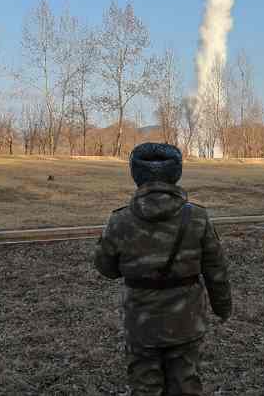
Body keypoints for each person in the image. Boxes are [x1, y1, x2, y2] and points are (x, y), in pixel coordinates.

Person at [94, 142, 232, 396]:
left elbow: (106, 268)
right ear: (176, 173)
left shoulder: (120, 220)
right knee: (186, 384)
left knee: (144, 386)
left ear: (135, 174)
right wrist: (222, 308)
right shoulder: (198, 218)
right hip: (186, 320)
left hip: (140, 322)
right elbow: (216, 270)